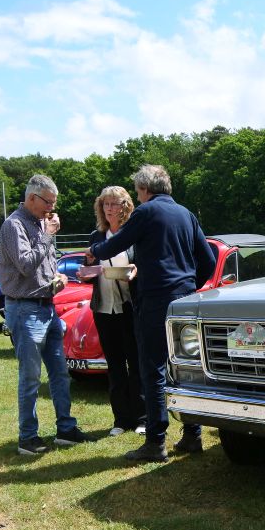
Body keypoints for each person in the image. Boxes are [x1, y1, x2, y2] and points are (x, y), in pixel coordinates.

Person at [86, 164, 216, 463]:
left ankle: (155, 442)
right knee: (185, 367)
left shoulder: (145, 212)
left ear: (144, 190)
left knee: (153, 369)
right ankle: (192, 434)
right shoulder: (186, 214)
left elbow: (111, 247)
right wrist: (186, 286)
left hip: (156, 301)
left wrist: (95, 247)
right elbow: (207, 261)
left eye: (137, 190)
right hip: (185, 300)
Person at [0, 174, 87, 455]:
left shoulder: (39, 222)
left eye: (54, 203)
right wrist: (47, 235)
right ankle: (28, 437)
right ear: (32, 198)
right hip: (24, 309)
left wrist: (57, 277)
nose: (51, 208)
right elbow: (25, 265)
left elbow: (44, 265)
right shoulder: (14, 225)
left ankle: (66, 429)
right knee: (31, 377)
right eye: (48, 202)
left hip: (47, 306)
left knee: (60, 373)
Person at [83, 185, 147, 438]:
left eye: (115, 203)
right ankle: (121, 419)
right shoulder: (96, 237)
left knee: (137, 363)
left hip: (130, 307)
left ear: (125, 206)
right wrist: (86, 269)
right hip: (103, 308)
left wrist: (135, 271)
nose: (110, 208)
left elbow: (142, 265)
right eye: (106, 204)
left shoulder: (134, 234)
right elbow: (89, 268)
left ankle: (142, 417)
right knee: (115, 365)